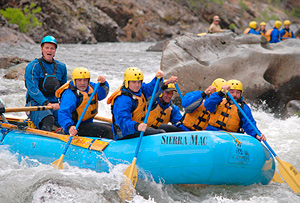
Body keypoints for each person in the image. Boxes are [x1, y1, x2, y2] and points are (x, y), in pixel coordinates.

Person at [107, 67, 166, 140]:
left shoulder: (139, 90)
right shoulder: (123, 99)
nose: (137, 85)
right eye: (134, 82)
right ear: (127, 82)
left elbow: (149, 89)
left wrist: (157, 79)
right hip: (124, 134)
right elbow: (122, 122)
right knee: (160, 133)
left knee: (162, 131)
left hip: (136, 129)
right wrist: (136, 126)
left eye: (139, 82)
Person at [24, 36, 67, 131]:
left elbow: (64, 90)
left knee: (70, 120)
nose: (49, 51)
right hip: (35, 104)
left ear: (55, 50)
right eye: (47, 48)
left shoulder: (62, 67)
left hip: (55, 105)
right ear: (41, 49)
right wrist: (46, 103)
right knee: (48, 119)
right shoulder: (33, 66)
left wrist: (65, 106)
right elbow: (32, 89)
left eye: (52, 48)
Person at [56, 67, 113, 138]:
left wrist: (103, 84)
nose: (82, 83)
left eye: (85, 80)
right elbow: (63, 113)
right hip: (76, 127)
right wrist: (69, 127)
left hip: (87, 123)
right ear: (74, 80)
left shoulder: (91, 87)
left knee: (114, 127)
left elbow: (102, 94)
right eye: (79, 80)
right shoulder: (70, 94)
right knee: (107, 131)